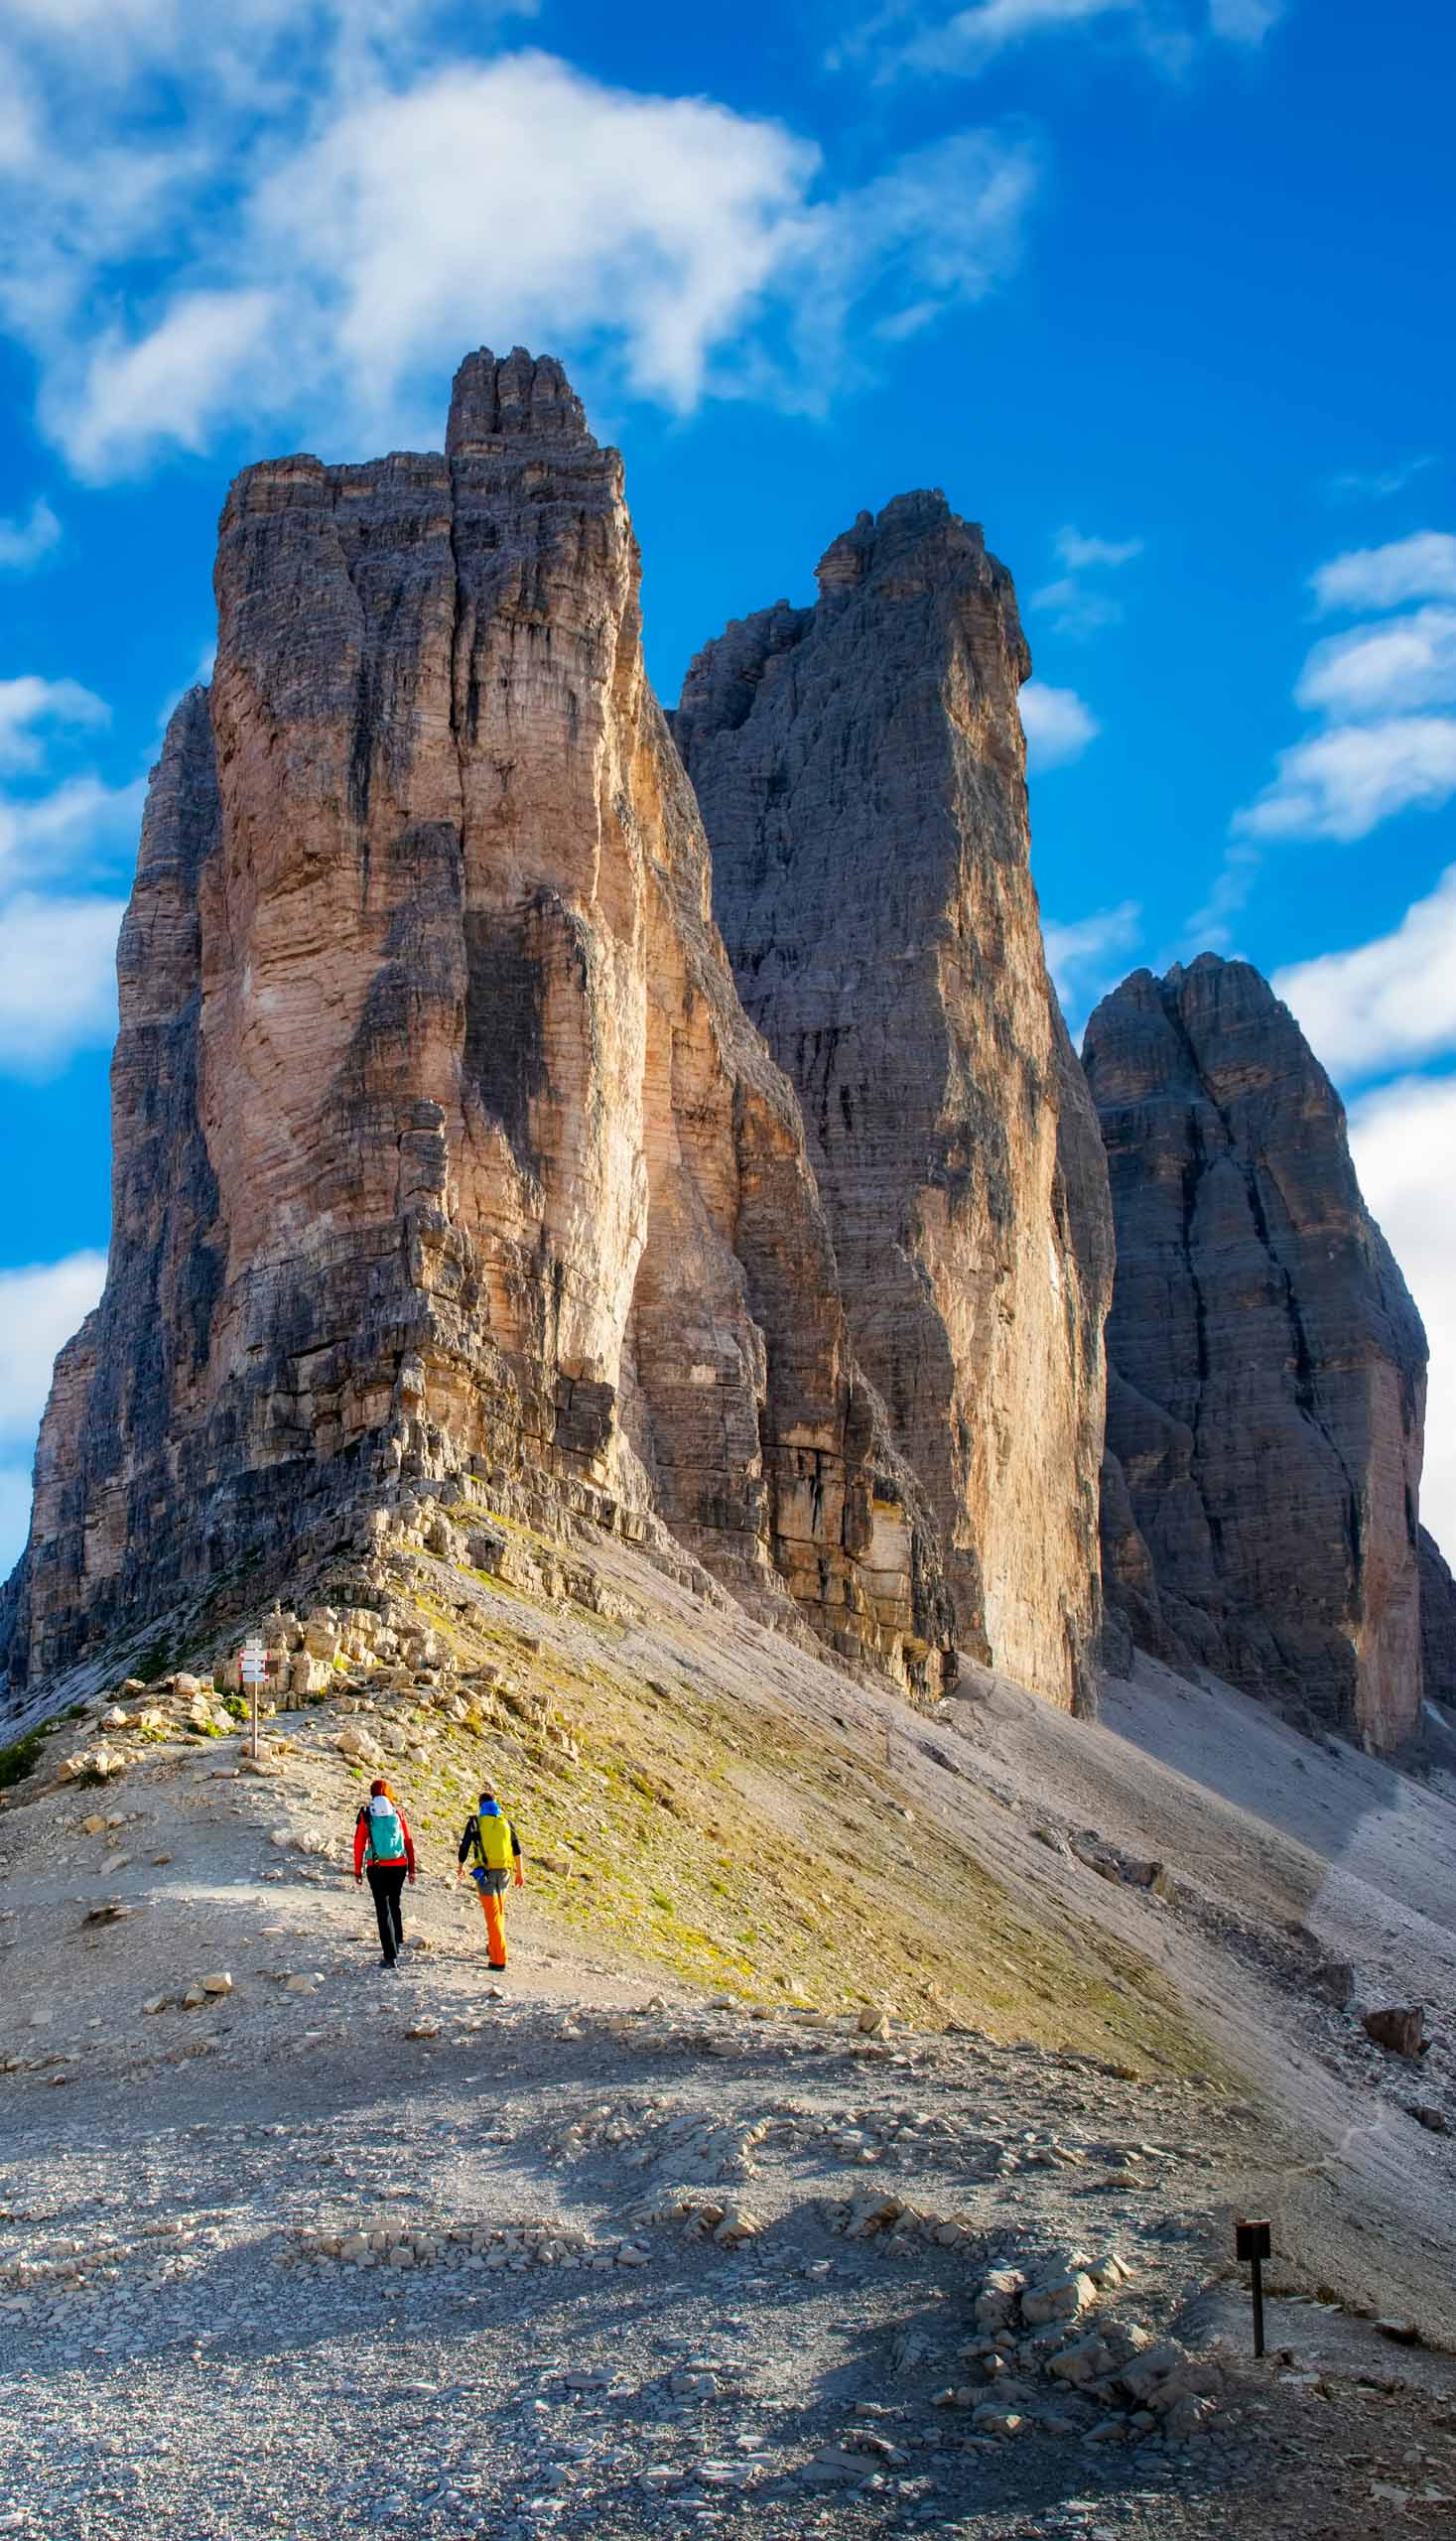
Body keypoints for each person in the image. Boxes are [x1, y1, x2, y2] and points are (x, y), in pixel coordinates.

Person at [455, 1784, 524, 1970]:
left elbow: (465, 1847)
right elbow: (517, 1849)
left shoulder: (475, 1823)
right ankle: (493, 1947)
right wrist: (520, 1873)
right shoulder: (506, 1822)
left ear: (481, 1805)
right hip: (505, 1873)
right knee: (499, 1912)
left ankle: (499, 1960)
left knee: (492, 1916)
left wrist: (460, 1866)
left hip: (485, 1874)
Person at [353, 1778, 417, 1970]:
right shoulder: (398, 1813)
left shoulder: (366, 1815)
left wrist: (358, 1870)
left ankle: (390, 1956)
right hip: (399, 1865)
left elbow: (359, 1844)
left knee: (383, 1909)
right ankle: (397, 1939)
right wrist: (412, 1868)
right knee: (394, 1901)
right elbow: (408, 1841)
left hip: (377, 1866)